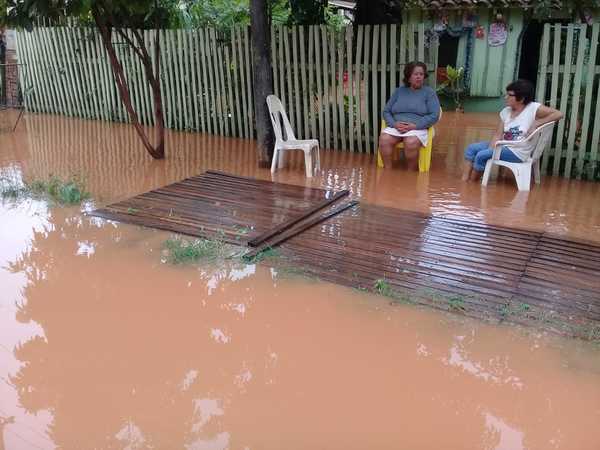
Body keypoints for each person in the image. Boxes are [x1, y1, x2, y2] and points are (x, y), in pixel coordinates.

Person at [463, 79, 563, 182]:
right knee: (471, 149)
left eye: (510, 95)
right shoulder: (506, 111)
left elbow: (559, 114)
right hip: (503, 145)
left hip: (518, 151)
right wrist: (491, 149)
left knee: (481, 155)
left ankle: (471, 185)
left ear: (521, 98)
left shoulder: (533, 108)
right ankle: (464, 182)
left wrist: (537, 123)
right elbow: (498, 135)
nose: (506, 97)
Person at [379, 61, 441, 170]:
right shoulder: (399, 92)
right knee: (384, 139)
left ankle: (410, 173)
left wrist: (415, 126)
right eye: (415, 74)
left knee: (410, 142)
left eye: (421, 74)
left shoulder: (429, 93)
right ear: (408, 77)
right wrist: (394, 124)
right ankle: (387, 171)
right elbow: (386, 111)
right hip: (397, 127)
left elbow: (434, 115)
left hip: (418, 127)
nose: (419, 77)